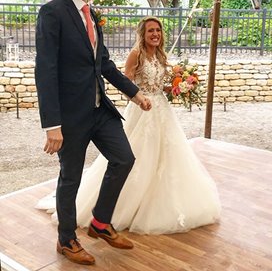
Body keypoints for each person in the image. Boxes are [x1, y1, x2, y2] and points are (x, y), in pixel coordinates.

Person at [37, 16, 221, 236]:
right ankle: (105, 215)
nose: (155, 34)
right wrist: (139, 95)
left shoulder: (161, 55)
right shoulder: (136, 54)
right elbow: (126, 82)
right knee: (133, 156)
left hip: (161, 110)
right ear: (143, 34)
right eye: (151, 31)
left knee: (166, 155)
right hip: (141, 111)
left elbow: (159, 83)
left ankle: (157, 202)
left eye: (158, 31)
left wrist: (177, 87)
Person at [35, 0, 151, 266]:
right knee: (70, 178)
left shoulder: (91, 14)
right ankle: (66, 240)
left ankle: (100, 222)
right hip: (70, 117)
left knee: (124, 159)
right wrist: (52, 124)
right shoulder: (52, 12)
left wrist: (135, 93)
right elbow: (44, 70)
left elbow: (104, 65)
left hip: (100, 111)